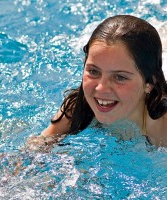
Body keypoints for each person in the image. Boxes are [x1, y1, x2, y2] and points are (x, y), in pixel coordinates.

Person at [30, 15, 167, 149]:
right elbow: (32, 153)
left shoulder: (162, 126)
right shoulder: (78, 108)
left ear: (150, 83)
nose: (101, 89)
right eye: (94, 71)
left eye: (120, 77)